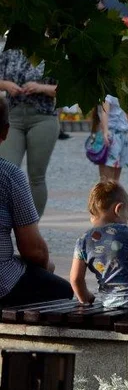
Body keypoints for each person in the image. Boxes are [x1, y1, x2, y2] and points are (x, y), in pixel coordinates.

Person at [0, 98, 72, 306]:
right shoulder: (9, 175)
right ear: (5, 132)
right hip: (3, 284)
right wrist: (46, 266)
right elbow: (33, 250)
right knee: (63, 291)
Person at [70, 181, 128, 314]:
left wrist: (85, 298)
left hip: (110, 302)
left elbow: (75, 278)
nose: (127, 221)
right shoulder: (125, 231)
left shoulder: (82, 241)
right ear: (118, 209)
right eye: (127, 216)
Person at [0, 48, 60, 216]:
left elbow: (65, 89)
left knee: (37, 176)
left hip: (43, 117)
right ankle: (5, 221)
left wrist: (40, 88)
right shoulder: (9, 51)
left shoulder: (53, 52)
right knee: (5, 170)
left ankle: (31, 225)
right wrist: (6, 85)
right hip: (12, 117)